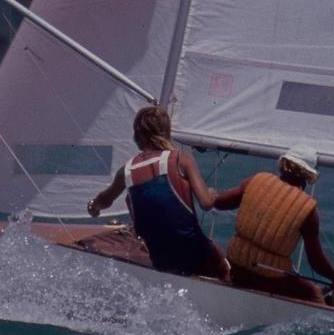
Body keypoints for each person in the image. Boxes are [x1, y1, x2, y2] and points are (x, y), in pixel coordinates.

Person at [86, 105, 228, 280]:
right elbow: (206, 203)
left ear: (137, 136)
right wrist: (211, 193)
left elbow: (105, 200)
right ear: (167, 132)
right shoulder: (181, 159)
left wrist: (94, 206)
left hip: (163, 260)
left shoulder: (127, 171)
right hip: (196, 253)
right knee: (223, 267)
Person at [213, 147, 334, 304]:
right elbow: (315, 259)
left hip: (237, 267)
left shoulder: (257, 180)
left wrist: (212, 194)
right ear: (309, 175)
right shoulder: (308, 209)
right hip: (268, 277)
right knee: (313, 292)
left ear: (284, 163)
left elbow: (220, 203)